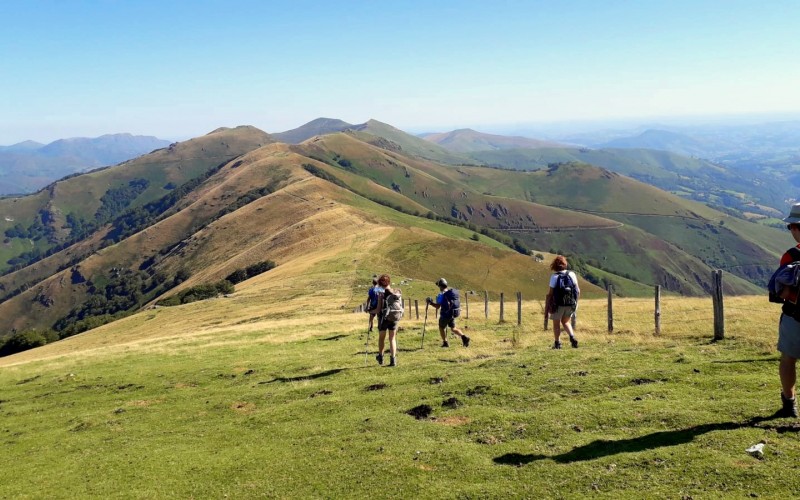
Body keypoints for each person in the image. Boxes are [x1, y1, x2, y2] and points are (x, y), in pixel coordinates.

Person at [774, 203, 800, 417]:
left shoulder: (791, 256)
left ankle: (789, 403)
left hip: (795, 316)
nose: (791, 231)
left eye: (792, 226)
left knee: (788, 358)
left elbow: (781, 293)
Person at [546, 255, 580, 349]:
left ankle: (557, 343)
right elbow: (578, 290)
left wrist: (548, 305)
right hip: (570, 303)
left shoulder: (554, 277)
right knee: (566, 322)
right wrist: (575, 303)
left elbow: (550, 293)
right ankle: (572, 337)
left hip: (558, 304)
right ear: (565, 264)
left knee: (556, 323)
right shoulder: (572, 274)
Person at [427, 278, 470, 348]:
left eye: (438, 286)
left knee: (441, 327)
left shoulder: (441, 295)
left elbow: (438, 306)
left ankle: (445, 343)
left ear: (440, 286)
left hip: (445, 315)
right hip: (452, 314)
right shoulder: (450, 293)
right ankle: (464, 337)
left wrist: (430, 303)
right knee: (453, 328)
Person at [375, 274, 401, 367]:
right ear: (389, 282)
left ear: (380, 283)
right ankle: (393, 359)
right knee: (392, 338)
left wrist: (370, 311)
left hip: (384, 318)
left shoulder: (382, 293)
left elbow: (378, 309)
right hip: (394, 317)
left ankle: (381, 357)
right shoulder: (395, 292)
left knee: (381, 338)